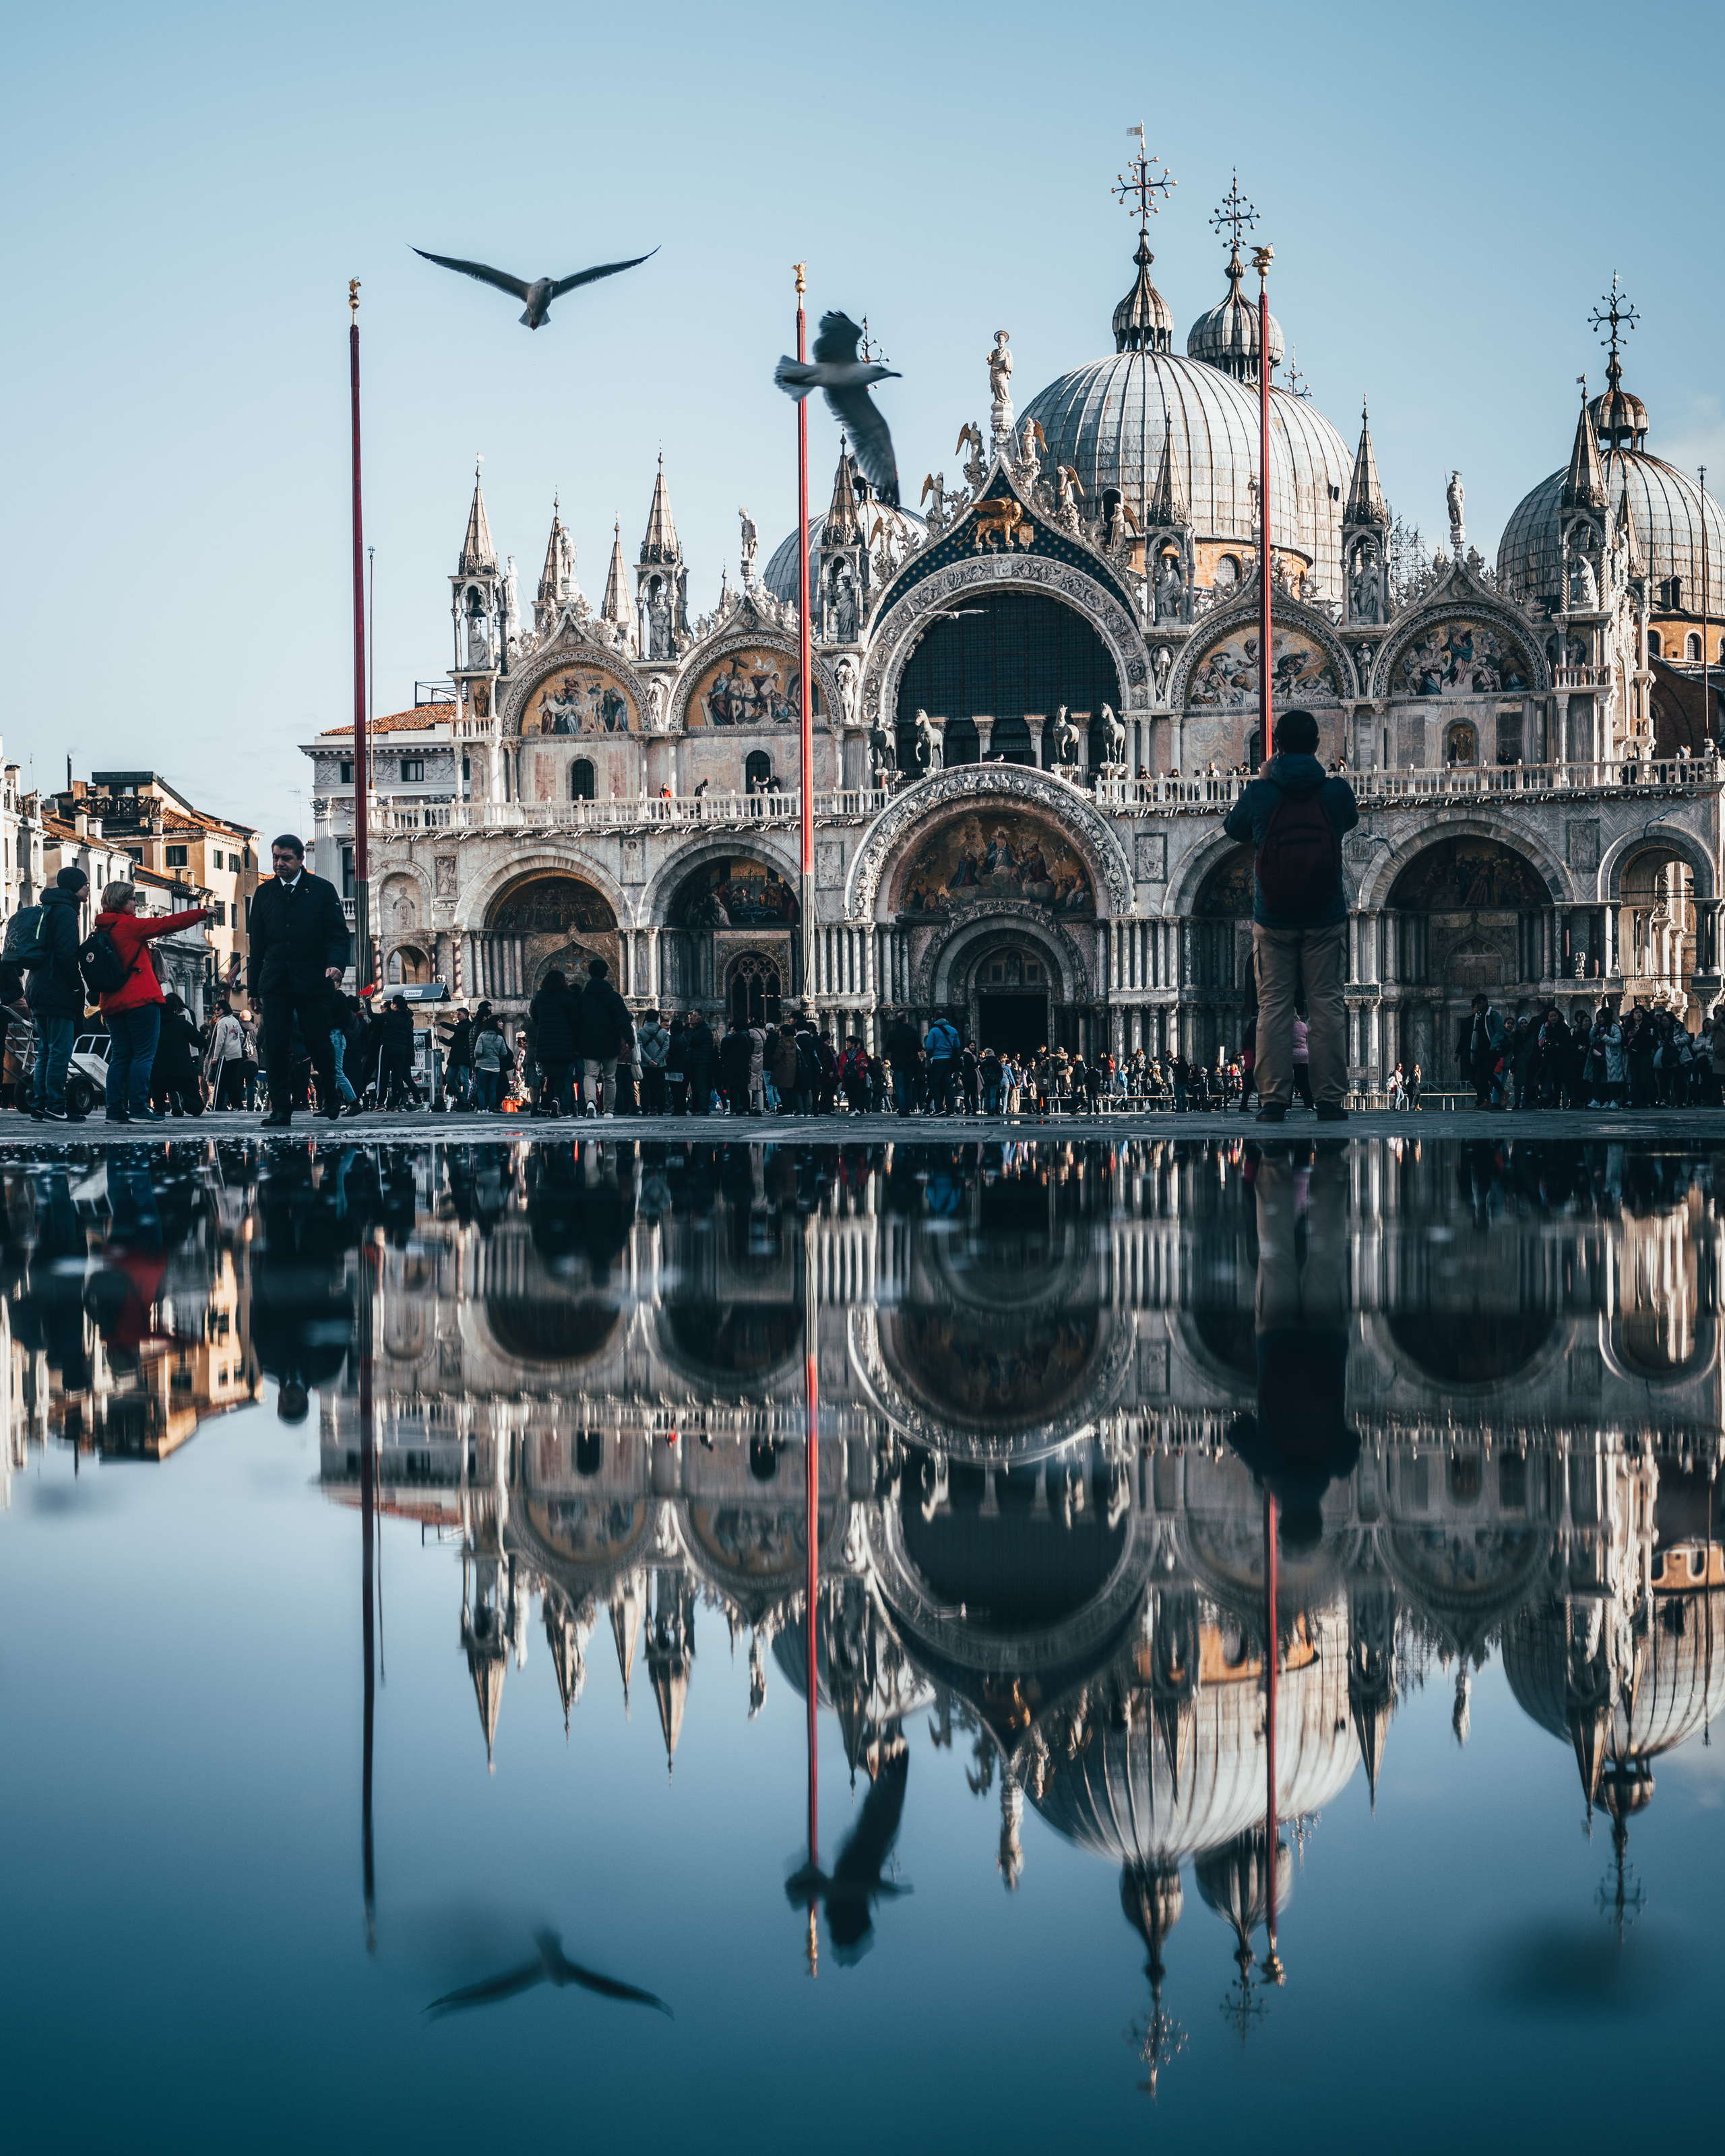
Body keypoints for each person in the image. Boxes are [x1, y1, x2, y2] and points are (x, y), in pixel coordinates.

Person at [1222, 709, 1359, 1124]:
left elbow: (1235, 829)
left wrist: (1263, 781)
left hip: (1274, 916)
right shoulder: (1336, 792)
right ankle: (1331, 1099)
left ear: (1277, 745)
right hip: (1325, 913)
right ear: (1317, 744)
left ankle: (1273, 1100)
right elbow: (1349, 821)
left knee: (1274, 1006)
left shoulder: (1262, 793)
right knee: (1328, 1004)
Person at [247, 834, 350, 1127]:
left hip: (314, 978)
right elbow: (258, 947)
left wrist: (335, 965)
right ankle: (281, 1109)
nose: (279, 864)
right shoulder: (264, 894)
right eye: (276, 858)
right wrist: (254, 988)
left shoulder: (322, 890)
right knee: (276, 1045)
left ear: (300, 859)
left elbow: (339, 935)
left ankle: (331, 1098)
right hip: (276, 979)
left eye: (286, 858)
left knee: (319, 1043)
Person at [88, 880, 211, 1123]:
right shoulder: (129, 926)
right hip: (140, 1001)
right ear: (122, 901)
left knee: (121, 1056)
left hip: (111, 1004)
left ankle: (114, 1111)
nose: (136, 903)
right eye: (133, 899)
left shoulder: (102, 929)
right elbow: (166, 924)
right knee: (144, 1056)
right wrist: (202, 913)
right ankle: (138, 1109)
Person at [26, 865, 92, 1122]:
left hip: (38, 988)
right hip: (57, 990)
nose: (88, 888)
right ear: (75, 887)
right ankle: (55, 1104)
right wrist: (77, 986)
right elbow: (66, 955)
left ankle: (40, 1105)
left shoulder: (49, 908)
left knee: (45, 1051)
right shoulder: (66, 912)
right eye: (85, 884)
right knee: (60, 1051)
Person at [579, 956, 633, 1116]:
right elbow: (624, 1020)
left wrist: (577, 1042)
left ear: (589, 973)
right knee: (610, 1077)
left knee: (590, 1075)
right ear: (606, 974)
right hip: (610, 1041)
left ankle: (590, 1103)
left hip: (589, 1042)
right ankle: (609, 1111)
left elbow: (576, 1021)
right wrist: (630, 1040)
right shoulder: (614, 997)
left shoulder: (583, 997)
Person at [528, 968, 582, 1116]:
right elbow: (574, 1020)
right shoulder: (568, 996)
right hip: (564, 1043)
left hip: (545, 1043)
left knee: (549, 1076)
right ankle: (557, 1100)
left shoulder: (540, 997)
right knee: (561, 1076)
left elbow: (536, 1018)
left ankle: (551, 1102)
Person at [150, 992, 207, 1116]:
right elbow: (200, 1042)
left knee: (158, 1105)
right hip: (181, 1073)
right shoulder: (182, 1023)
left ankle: (159, 1108)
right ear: (176, 1010)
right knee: (197, 1108)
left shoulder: (152, 1025)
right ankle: (182, 1099)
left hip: (158, 1074)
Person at [1456, 994, 1505, 1111]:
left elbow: (1500, 1030)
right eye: (1475, 1003)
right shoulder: (1475, 1019)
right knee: (1479, 1077)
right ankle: (1486, 1100)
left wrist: (1494, 1045)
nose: (1477, 1005)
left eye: (1480, 1002)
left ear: (1486, 1002)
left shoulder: (1493, 1015)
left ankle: (1501, 1093)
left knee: (1486, 1073)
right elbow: (1473, 1037)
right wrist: (1470, 1054)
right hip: (1477, 1052)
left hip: (1491, 1050)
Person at [205, 1003, 249, 1110]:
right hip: (236, 1054)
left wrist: (215, 1056)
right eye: (215, 1009)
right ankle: (238, 1106)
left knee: (220, 1082)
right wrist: (236, 1045)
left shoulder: (222, 1022)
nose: (216, 1011)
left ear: (224, 1009)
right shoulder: (234, 1020)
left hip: (225, 1056)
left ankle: (216, 1106)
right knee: (231, 1081)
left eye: (218, 1009)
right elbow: (242, 1036)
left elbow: (219, 1041)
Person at [883, 1012, 922, 1116]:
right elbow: (919, 1047)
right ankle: (908, 1108)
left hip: (898, 1063)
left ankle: (902, 1109)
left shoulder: (893, 1033)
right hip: (910, 1063)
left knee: (900, 1087)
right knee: (908, 1086)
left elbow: (887, 1048)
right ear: (906, 1020)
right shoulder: (912, 1032)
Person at [924, 1013, 962, 1114]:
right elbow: (957, 1045)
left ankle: (939, 1108)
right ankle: (950, 1110)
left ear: (936, 1018)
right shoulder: (953, 1030)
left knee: (934, 1085)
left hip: (937, 1059)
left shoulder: (934, 1031)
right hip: (949, 1060)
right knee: (948, 1084)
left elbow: (929, 1046)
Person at [471, 1015, 509, 1110]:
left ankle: (482, 1108)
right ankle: (492, 1108)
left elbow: (478, 1052)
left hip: (483, 1065)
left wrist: (478, 1058)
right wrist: (496, 1057)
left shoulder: (482, 1037)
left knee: (482, 1089)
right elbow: (504, 1053)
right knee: (493, 1089)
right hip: (495, 1066)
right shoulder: (499, 1038)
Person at [637, 1009, 670, 1114]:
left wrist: (649, 1060)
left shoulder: (641, 1031)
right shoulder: (663, 1032)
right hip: (660, 1065)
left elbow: (639, 1048)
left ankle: (645, 1109)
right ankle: (660, 1110)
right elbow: (666, 1048)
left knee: (645, 1088)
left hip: (645, 1065)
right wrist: (657, 1060)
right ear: (657, 1019)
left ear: (646, 1019)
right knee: (660, 1088)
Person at [684, 1011, 718, 1115]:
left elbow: (692, 1041)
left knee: (701, 1085)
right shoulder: (698, 1028)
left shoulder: (703, 1029)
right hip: (697, 1061)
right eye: (691, 1016)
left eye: (695, 1016)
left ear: (701, 1017)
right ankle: (697, 1107)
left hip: (702, 1061)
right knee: (696, 1086)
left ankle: (703, 1108)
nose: (692, 1018)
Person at [768, 1020, 801, 1113]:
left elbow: (777, 1057)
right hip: (793, 1069)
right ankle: (791, 1109)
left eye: (780, 1032)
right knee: (790, 1091)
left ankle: (786, 1110)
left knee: (782, 1090)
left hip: (782, 1070)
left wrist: (772, 1057)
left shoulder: (782, 1043)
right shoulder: (795, 1042)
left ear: (784, 1033)